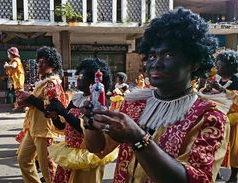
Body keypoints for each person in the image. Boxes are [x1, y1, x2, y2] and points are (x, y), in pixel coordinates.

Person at [82, 8, 230, 183]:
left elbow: (196, 179)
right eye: (152, 55)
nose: (156, 64)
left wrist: (138, 139)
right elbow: (97, 147)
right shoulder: (135, 104)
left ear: (195, 63)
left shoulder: (210, 117)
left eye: (168, 55)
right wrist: (91, 124)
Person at [45, 58, 117, 183]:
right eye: (77, 74)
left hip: (87, 156)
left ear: (92, 79)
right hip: (69, 153)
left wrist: (62, 110)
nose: (77, 77)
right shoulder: (76, 98)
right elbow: (63, 125)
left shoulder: (100, 101)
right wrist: (55, 115)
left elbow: (84, 127)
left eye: (81, 75)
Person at [17, 46, 67, 183]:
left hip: (44, 130)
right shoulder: (42, 81)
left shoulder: (52, 83)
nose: (39, 64)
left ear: (52, 65)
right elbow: (38, 103)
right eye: (38, 61)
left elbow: (51, 108)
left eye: (43, 62)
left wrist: (30, 98)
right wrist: (26, 101)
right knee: (23, 160)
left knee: (48, 169)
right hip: (33, 128)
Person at [203, 50, 238, 183]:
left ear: (230, 66)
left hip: (234, 119)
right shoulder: (215, 79)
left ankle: (234, 176)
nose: (217, 67)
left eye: (220, 64)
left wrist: (223, 90)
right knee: (214, 146)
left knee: (234, 149)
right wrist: (206, 90)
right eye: (217, 64)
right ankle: (215, 172)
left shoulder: (237, 80)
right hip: (217, 118)